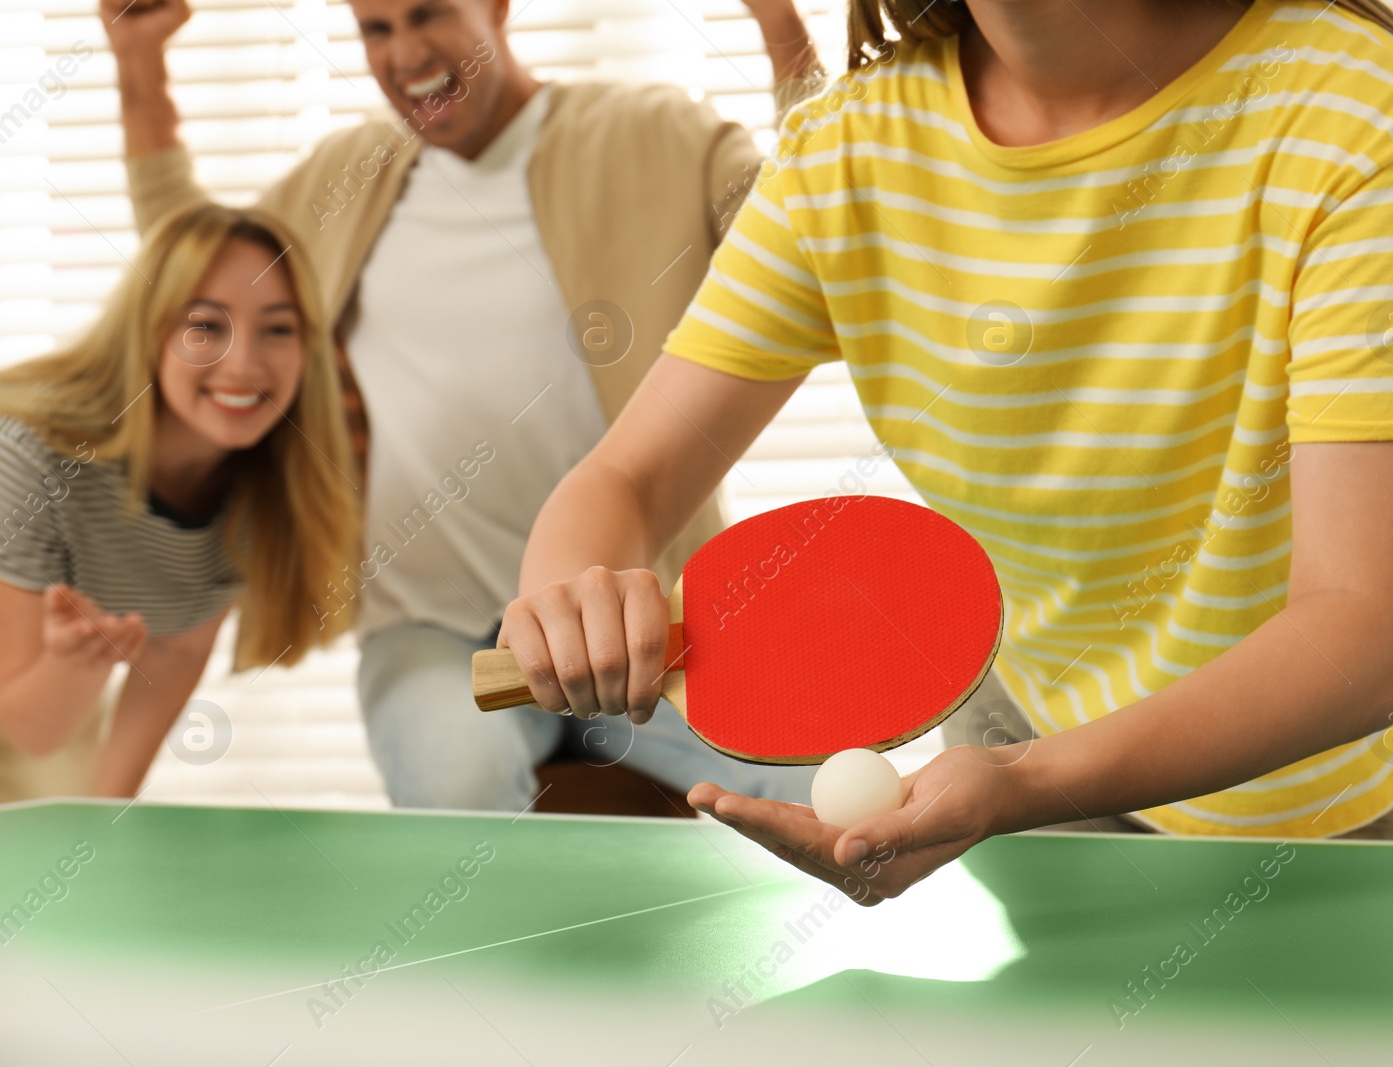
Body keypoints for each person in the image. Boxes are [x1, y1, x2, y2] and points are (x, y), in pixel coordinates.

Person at [495, 0, 1393, 901]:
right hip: (1025, 742)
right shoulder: (845, 152)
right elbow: (625, 479)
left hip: (1305, 802)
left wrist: (1021, 781)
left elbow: (1357, 637)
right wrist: (570, 596)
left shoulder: (1345, 106)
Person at [101, 0, 827, 810]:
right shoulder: (340, 183)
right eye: (376, 29)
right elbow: (192, 274)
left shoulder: (653, 133)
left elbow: (811, 225)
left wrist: (778, 25)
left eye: (428, 14)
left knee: (825, 779)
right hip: (431, 631)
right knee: (457, 790)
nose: (405, 50)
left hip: (643, 616)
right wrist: (139, 66)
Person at [0, 203, 360, 801]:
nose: (243, 365)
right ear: (149, 331)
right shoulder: (29, 458)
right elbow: (28, 729)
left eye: (277, 328)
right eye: (205, 327)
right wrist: (77, 665)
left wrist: (105, 823)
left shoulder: (263, 489)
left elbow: (175, 650)